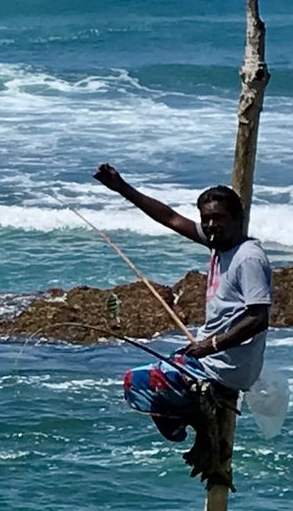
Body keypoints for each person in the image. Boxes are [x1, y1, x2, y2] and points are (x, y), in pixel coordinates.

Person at [93, 164, 271, 470]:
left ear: (238, 219)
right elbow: (170, 218)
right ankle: (202, 423)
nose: (211, 226)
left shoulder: (248, 258)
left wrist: (211, 345)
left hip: (225, 366)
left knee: (136, 383)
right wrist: (122, 188)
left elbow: (259, 318)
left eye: (219, 219)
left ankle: (205, 426)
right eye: (206, 219)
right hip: (212, 357)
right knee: (168, 363)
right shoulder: (219, 244)